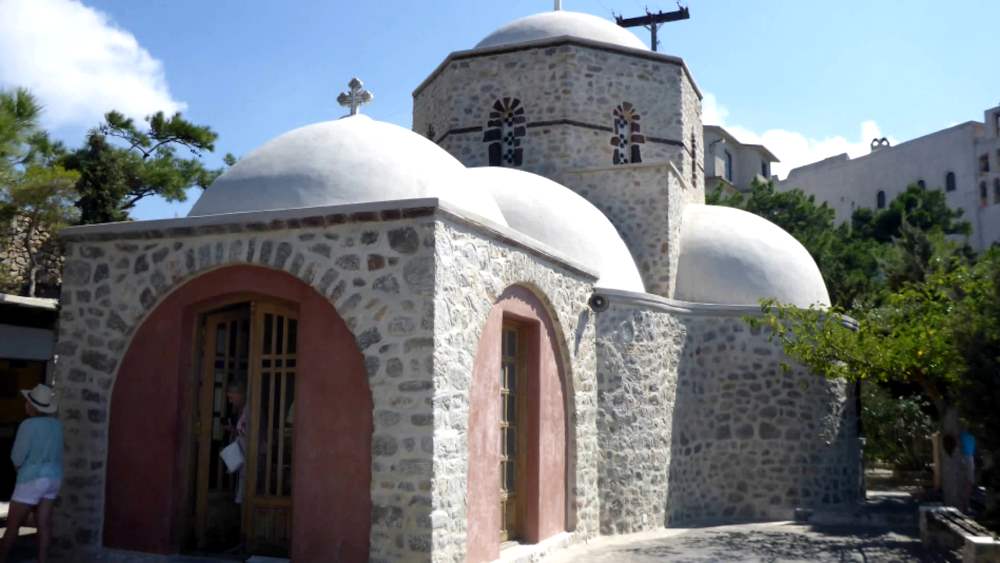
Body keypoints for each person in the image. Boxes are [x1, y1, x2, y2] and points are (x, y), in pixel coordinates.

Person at [0, 384, 63, 563]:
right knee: (44, 524)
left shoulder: (28, 425)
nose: (25, 404)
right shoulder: (56, 425)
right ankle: (42, 560)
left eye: (27, 402)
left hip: (32, 478)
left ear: (32, 406)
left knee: (13, 525)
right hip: (54, 478)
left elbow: (17, 457)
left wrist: (20, 473)